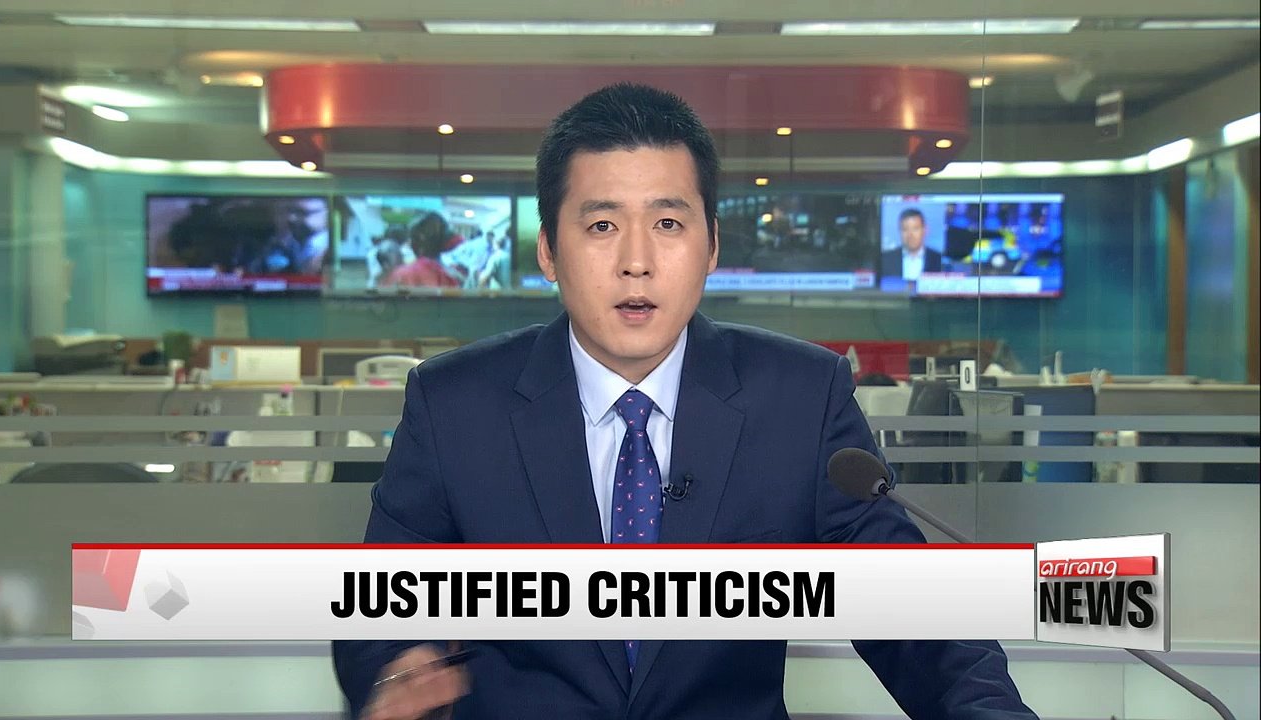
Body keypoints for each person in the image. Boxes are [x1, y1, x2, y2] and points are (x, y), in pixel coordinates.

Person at [334, 83, 1036, 720]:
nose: (636, 262)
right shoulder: (454, 405)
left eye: (668, 224)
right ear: (548, 250)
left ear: (711, 247)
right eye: (602, 226)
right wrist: (398, 670)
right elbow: (378, 608)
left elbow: (912, 611)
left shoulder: (800, 398)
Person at [381, 212, 462, 289]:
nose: (410, 244)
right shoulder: (453, 276)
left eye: (412, 238)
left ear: (420, 238)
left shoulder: (402, 274)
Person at [880, 207, 944, 282]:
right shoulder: (885, 259)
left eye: (915, 229)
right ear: (899, 232)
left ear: (925, 230)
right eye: (905, 229)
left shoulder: (939, 259)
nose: (910, 235)